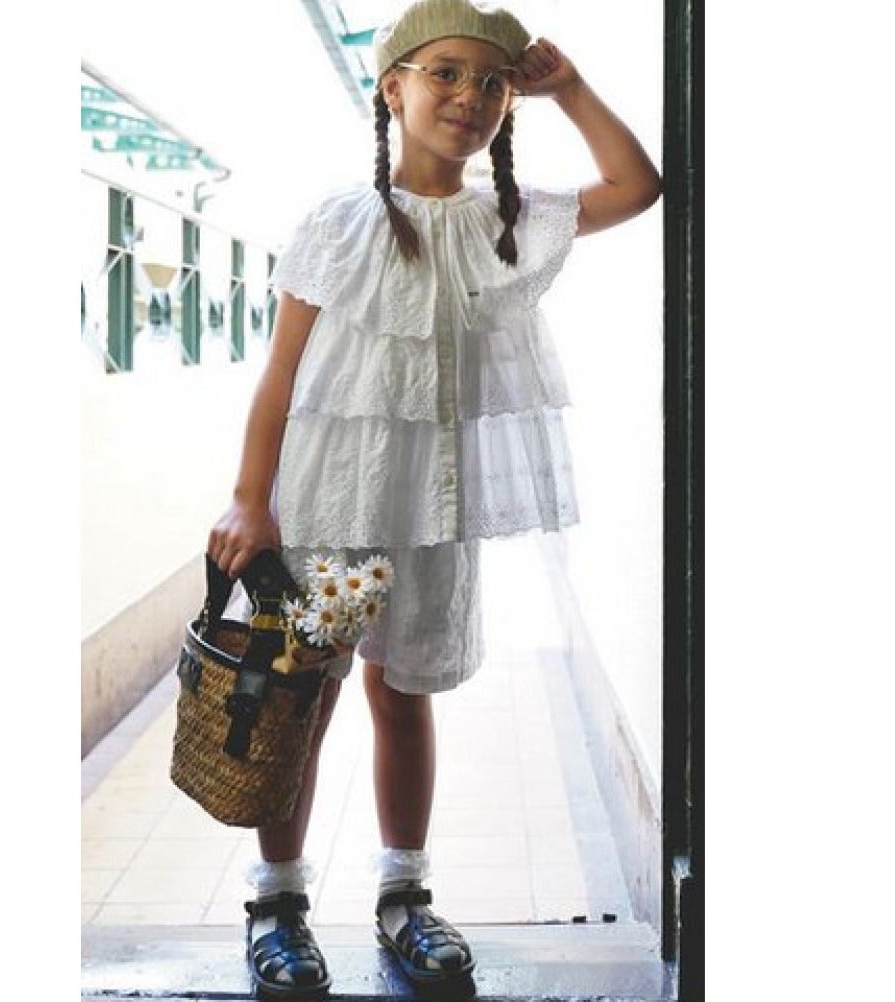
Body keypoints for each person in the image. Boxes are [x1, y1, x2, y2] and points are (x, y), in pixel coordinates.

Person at [207, 0, 661, 996]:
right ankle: (277, 902)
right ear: (394, 87)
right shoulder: (339, 220)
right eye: (446, 72)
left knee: (403, 694)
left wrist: (569, 88)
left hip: (432, 510)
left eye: (492, 82)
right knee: (299, 699)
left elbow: (637, 185)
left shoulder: (504, 219)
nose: (471, 95)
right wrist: (249, 499)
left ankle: (404, 895)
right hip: (329, 505)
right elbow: (281, 373)